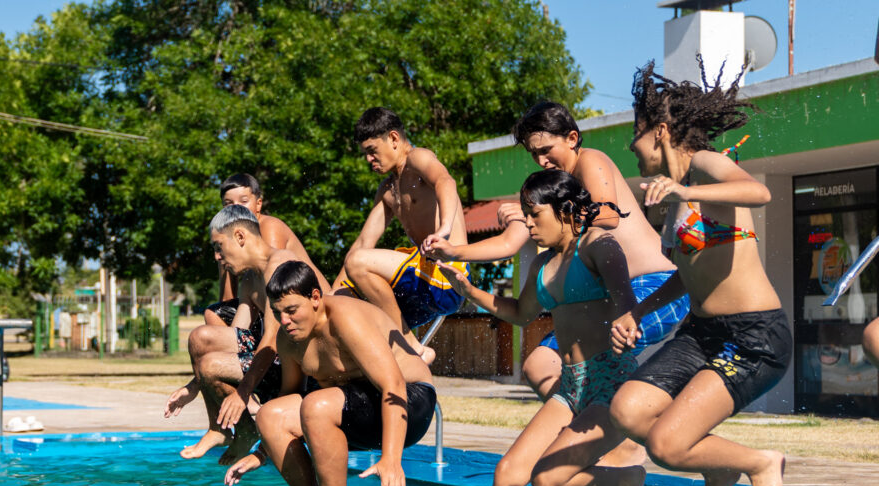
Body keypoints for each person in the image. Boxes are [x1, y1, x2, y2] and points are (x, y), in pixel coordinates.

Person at [438, 169, 645, 486]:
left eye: (535, 215)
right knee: (507, 472)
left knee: (548, 481)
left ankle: (626, 477)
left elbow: (625, 299)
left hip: (610, 383)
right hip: (571, 385)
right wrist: (470, 291)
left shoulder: (599, 246)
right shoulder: (543, 264)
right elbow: (520, 313)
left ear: (566, 210)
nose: (528, 225)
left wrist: (626, 321)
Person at [609, 59, 789, 486]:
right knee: (627, 410)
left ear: (660, 132)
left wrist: (684, 191)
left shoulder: (704, 166)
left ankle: (761, 462)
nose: (631, 146)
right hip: (702, 333)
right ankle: (719, 468)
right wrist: (638, 311)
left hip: (753, 337)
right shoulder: (674, 198)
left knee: (666, 446)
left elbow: (759, 193)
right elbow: (686, 276)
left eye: (636, 135)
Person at [423, 101, 689, 402]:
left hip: (656, 287)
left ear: (572, 139)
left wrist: (546, 213)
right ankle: (586, 421)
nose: (541, 160)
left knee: (594, 355)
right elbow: (508, 244)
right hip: (610, 300)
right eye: (533, 153)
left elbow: (609, 216)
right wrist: (454, 252)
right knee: (538, 366)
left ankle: (615, 424)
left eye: (546, 149)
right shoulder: (553, 191)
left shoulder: (590, 160)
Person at [223, 260, 436, 486]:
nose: (284, 321)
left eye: (291, 310)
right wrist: (263, 451)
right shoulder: (289, 340)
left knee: (317, 405)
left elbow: (393, 384)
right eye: (277, 312)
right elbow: (289, 400)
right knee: (270, 416)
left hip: (411, 403)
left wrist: (391, 457)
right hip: (356, 409)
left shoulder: (345, 318)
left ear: (315, 298)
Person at [164, 205, 331, 463]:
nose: (217, 256)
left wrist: (243, 393)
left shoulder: (280, 265)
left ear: (240, 236)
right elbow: (238, 336)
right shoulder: (250, 280)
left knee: (211, 365)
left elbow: (272, 341)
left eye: (219, 246)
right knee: (200, 338)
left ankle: (242, 429)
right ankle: (223, 428)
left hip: (305, 368)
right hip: (277, 358)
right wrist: (195, 385)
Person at [335, 107, 471, 363]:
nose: (369, 159)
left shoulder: (417, 159)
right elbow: (362, 243)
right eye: (365, 153)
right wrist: (332, 298)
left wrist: (444, 229)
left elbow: (446, 182)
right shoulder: (387, 189)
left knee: (358, 264)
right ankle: (405, 375)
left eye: (372, 150)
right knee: (349, 307)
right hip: (423, 286)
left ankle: (413, 348)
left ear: (394, 138)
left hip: (449, 276)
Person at [205, 173, 319, 327]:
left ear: (258, 204)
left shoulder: (269, 228)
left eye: (243, 201)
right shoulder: (226, 243)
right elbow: (227, 301)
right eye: (228, 203)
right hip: (268, 304)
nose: (236, 207)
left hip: (295, 303)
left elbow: (279, 289)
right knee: (214, 314)